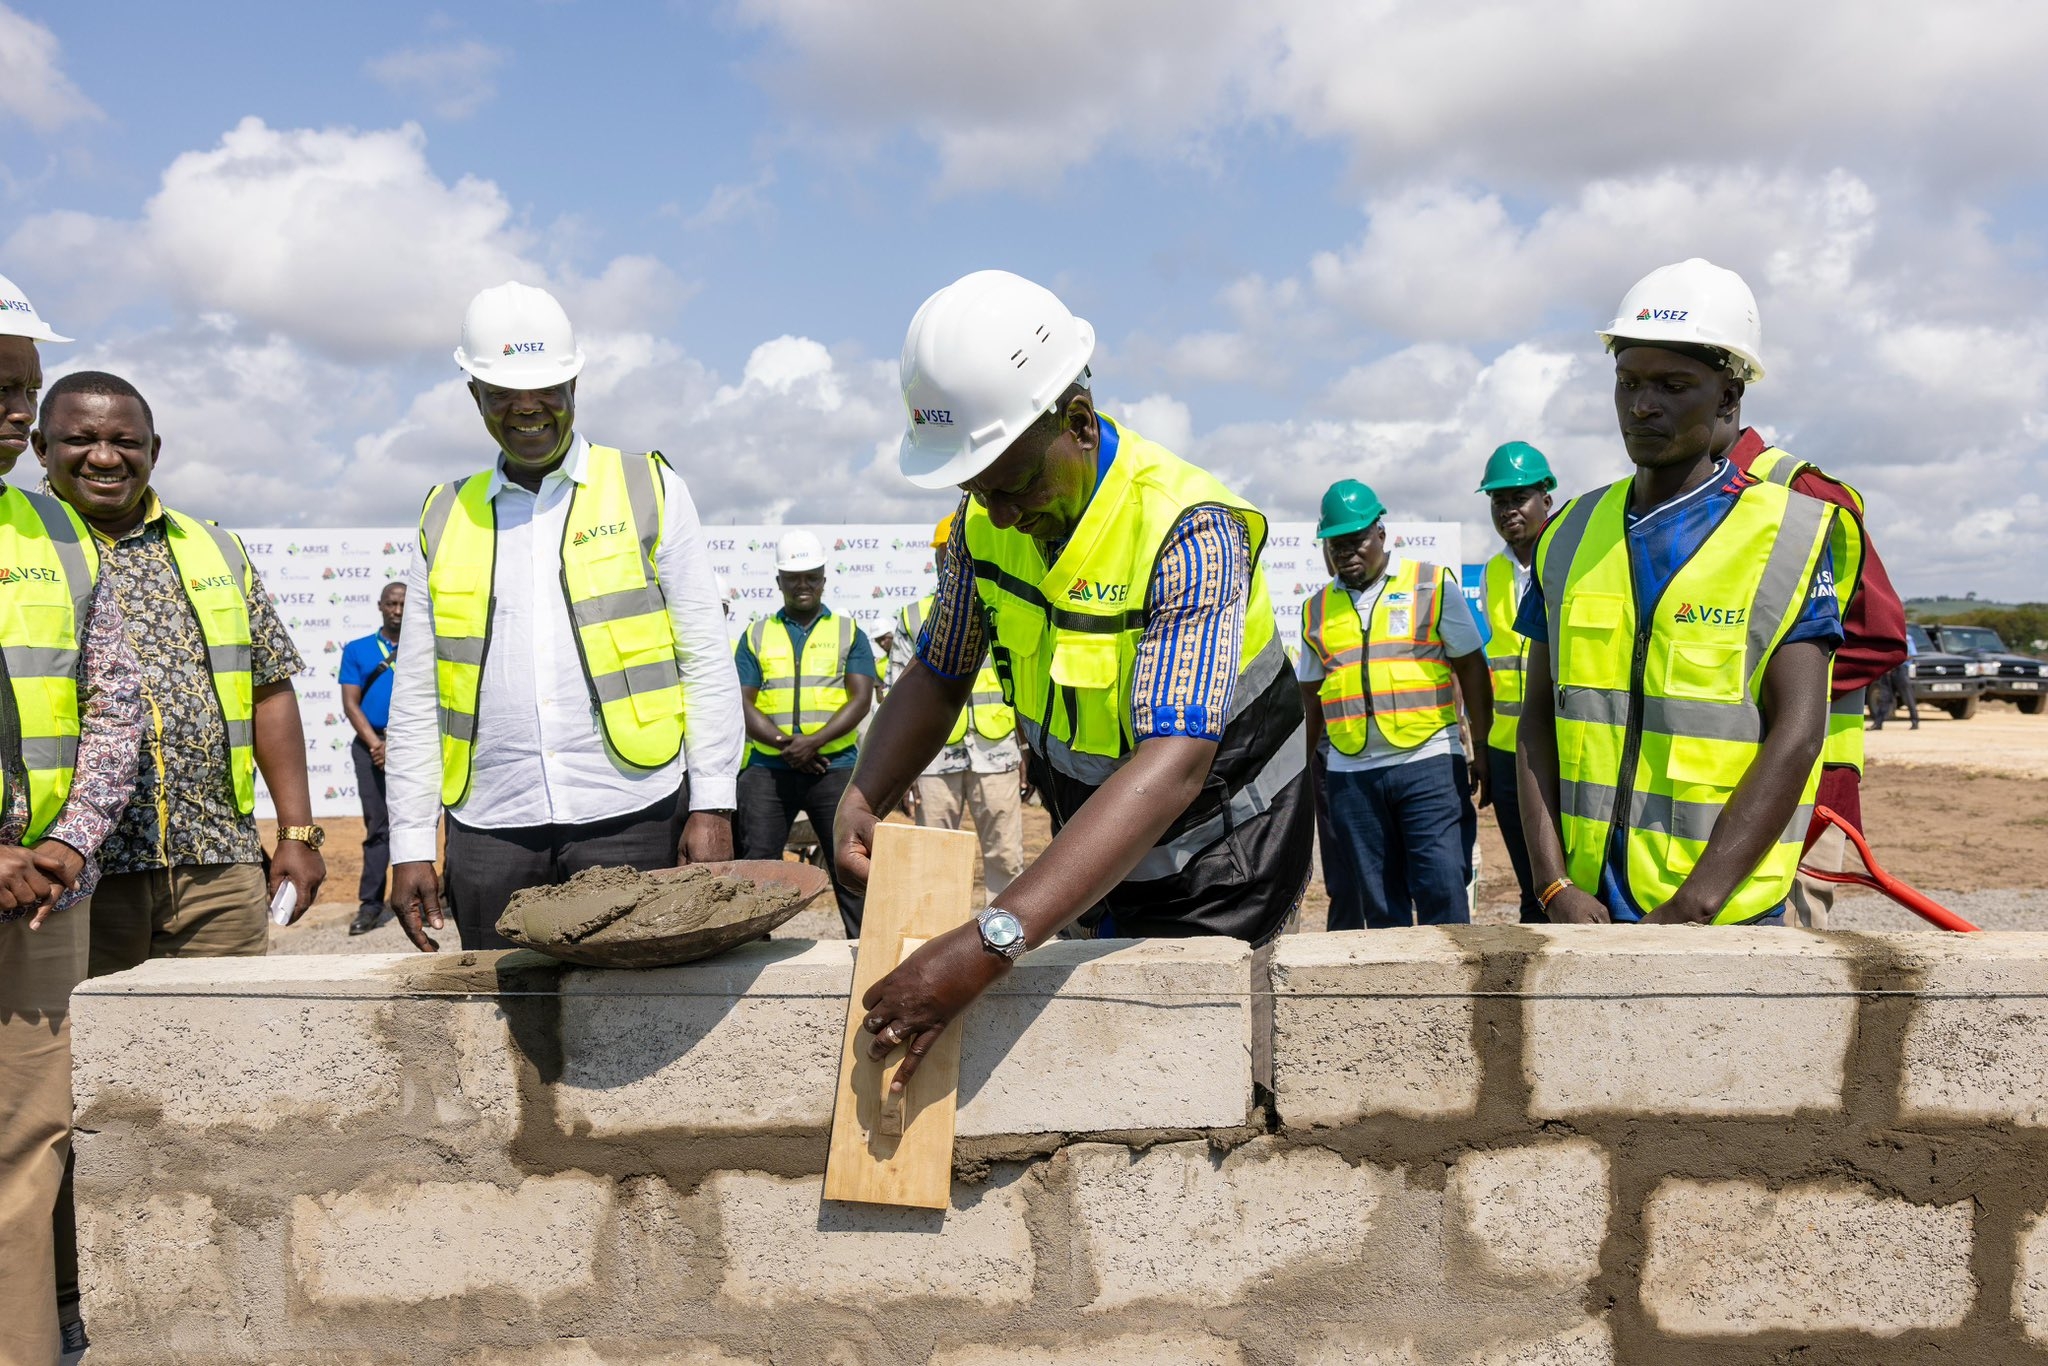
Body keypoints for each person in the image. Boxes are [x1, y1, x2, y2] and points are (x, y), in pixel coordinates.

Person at [841, 270, 1312, 1099]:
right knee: (1104, 1084)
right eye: (975, 488)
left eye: (1013, 483)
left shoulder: (1189, 530)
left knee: (1204, 1092)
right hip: (1095, 862)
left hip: (1222, 869)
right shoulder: (986, 523)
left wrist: (989, 941)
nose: (999, 513)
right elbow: (940, 671)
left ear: (1080, 423)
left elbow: (1175, 764)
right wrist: (863, 792)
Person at [387, 283, 743, 953]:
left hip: (632, 811)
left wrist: (713, 803)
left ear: (575, 383)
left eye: (546, 389)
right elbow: (416, 695)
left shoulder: (650, 487)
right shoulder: (444, 513)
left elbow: (703, 657)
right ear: (474, 394)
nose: (527, 409)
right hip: (490, 825)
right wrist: (409, 841)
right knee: (505, 1011)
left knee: (634, 1009)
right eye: (503, 394)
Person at [1516, 259, 1843, 926]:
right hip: (1585, 909)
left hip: (1723, 919)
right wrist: (1551, 885)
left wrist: (1695, 904)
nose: (1642, 406)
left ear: (1728, 397)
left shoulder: (1788, 536)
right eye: (1629, 382)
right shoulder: (1568, 534)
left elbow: (1799, 735)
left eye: (1673, 386)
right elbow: (1536, 721)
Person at [36, 372, 325, 974]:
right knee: (81, 1033)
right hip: (67, 867)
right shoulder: (19, 544)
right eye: (81, 440)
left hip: (216, 861)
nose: (105, 457)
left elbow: (269, 688)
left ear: (155, 449)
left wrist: (297, 832)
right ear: (41, 447)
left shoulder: (215, 548)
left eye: (126, 441)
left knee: (224, 1028)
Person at [0, 276, 143, 1366]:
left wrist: (66, 842)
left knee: (24, 1150)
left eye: (25, 388)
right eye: (1, 389)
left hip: (40, 906)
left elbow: (115, 704)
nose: (19, 413)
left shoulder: (56, 530)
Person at [1297, 479, 1492, 929]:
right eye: (1336, 544)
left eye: (1357, 540)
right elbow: (1310, 699)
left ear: (1381, 534)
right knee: (1380, 905)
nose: (1346, 552)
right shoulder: (1315, 610)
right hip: (1352, 777)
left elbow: (1471, 668)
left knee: (1442, 886)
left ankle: (1453, 976)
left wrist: (1480, 747)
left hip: (1428, 763)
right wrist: (1303, 774)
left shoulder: (1431, 585)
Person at [734, 529, 877, 935]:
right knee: (756, 866)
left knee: (850, 863)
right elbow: (741, 702)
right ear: (778, 580)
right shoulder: (756, 634)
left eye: (811, 577)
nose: (803, 585)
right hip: (768, 767)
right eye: (793, 577)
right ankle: (752, 948)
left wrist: (813, 743)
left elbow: (860, 699)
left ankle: (867, 947)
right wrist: (787, 746)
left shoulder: (849, 632)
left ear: (823, 579)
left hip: (834, 766)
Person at [893, 512, 1025, 896]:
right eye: (946, 555)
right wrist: (904, 769)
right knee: (933, 859)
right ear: (938, 557)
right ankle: (938, 930)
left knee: (1006, 857)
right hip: (932, 757)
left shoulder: (1005, 607)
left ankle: (1004, 929)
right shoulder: (914, 616)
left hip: (996, 752)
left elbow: (1024, 685)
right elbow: (896, 696)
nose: (953, 562)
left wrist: (1026, 750)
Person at [1475, 441, 1557, 923]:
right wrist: (1483, 749)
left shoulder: (1570, 557)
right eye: (1498, 499)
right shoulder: (1491, 572)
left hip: (1563, 746)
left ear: (1546, 498)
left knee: (1567, 880)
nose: (1508, 509)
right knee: (1530, 885)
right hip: (1509, 749)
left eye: (1519, 497)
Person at [339, 581, 404, 935]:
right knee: (378, 825)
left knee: (432, 822)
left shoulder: (424, 648)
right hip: (370, 746)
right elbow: (351, 704)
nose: (397, 611)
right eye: (391, 603)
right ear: (380, 605)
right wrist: (377, 745)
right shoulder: (358, 649)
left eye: (403, 604)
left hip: (415, 745)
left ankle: (436, 895)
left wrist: (399, 743)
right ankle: (371, 904)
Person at [1874, 629, 1919, 730]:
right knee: (1884, 697)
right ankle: (1878, 723)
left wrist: (1897, 659)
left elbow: (1912, 654)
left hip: (1900, 669)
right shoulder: (1886, 637)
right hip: (1887, 669)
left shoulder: (1907, 638)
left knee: (1907, 696)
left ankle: (1915, 721)